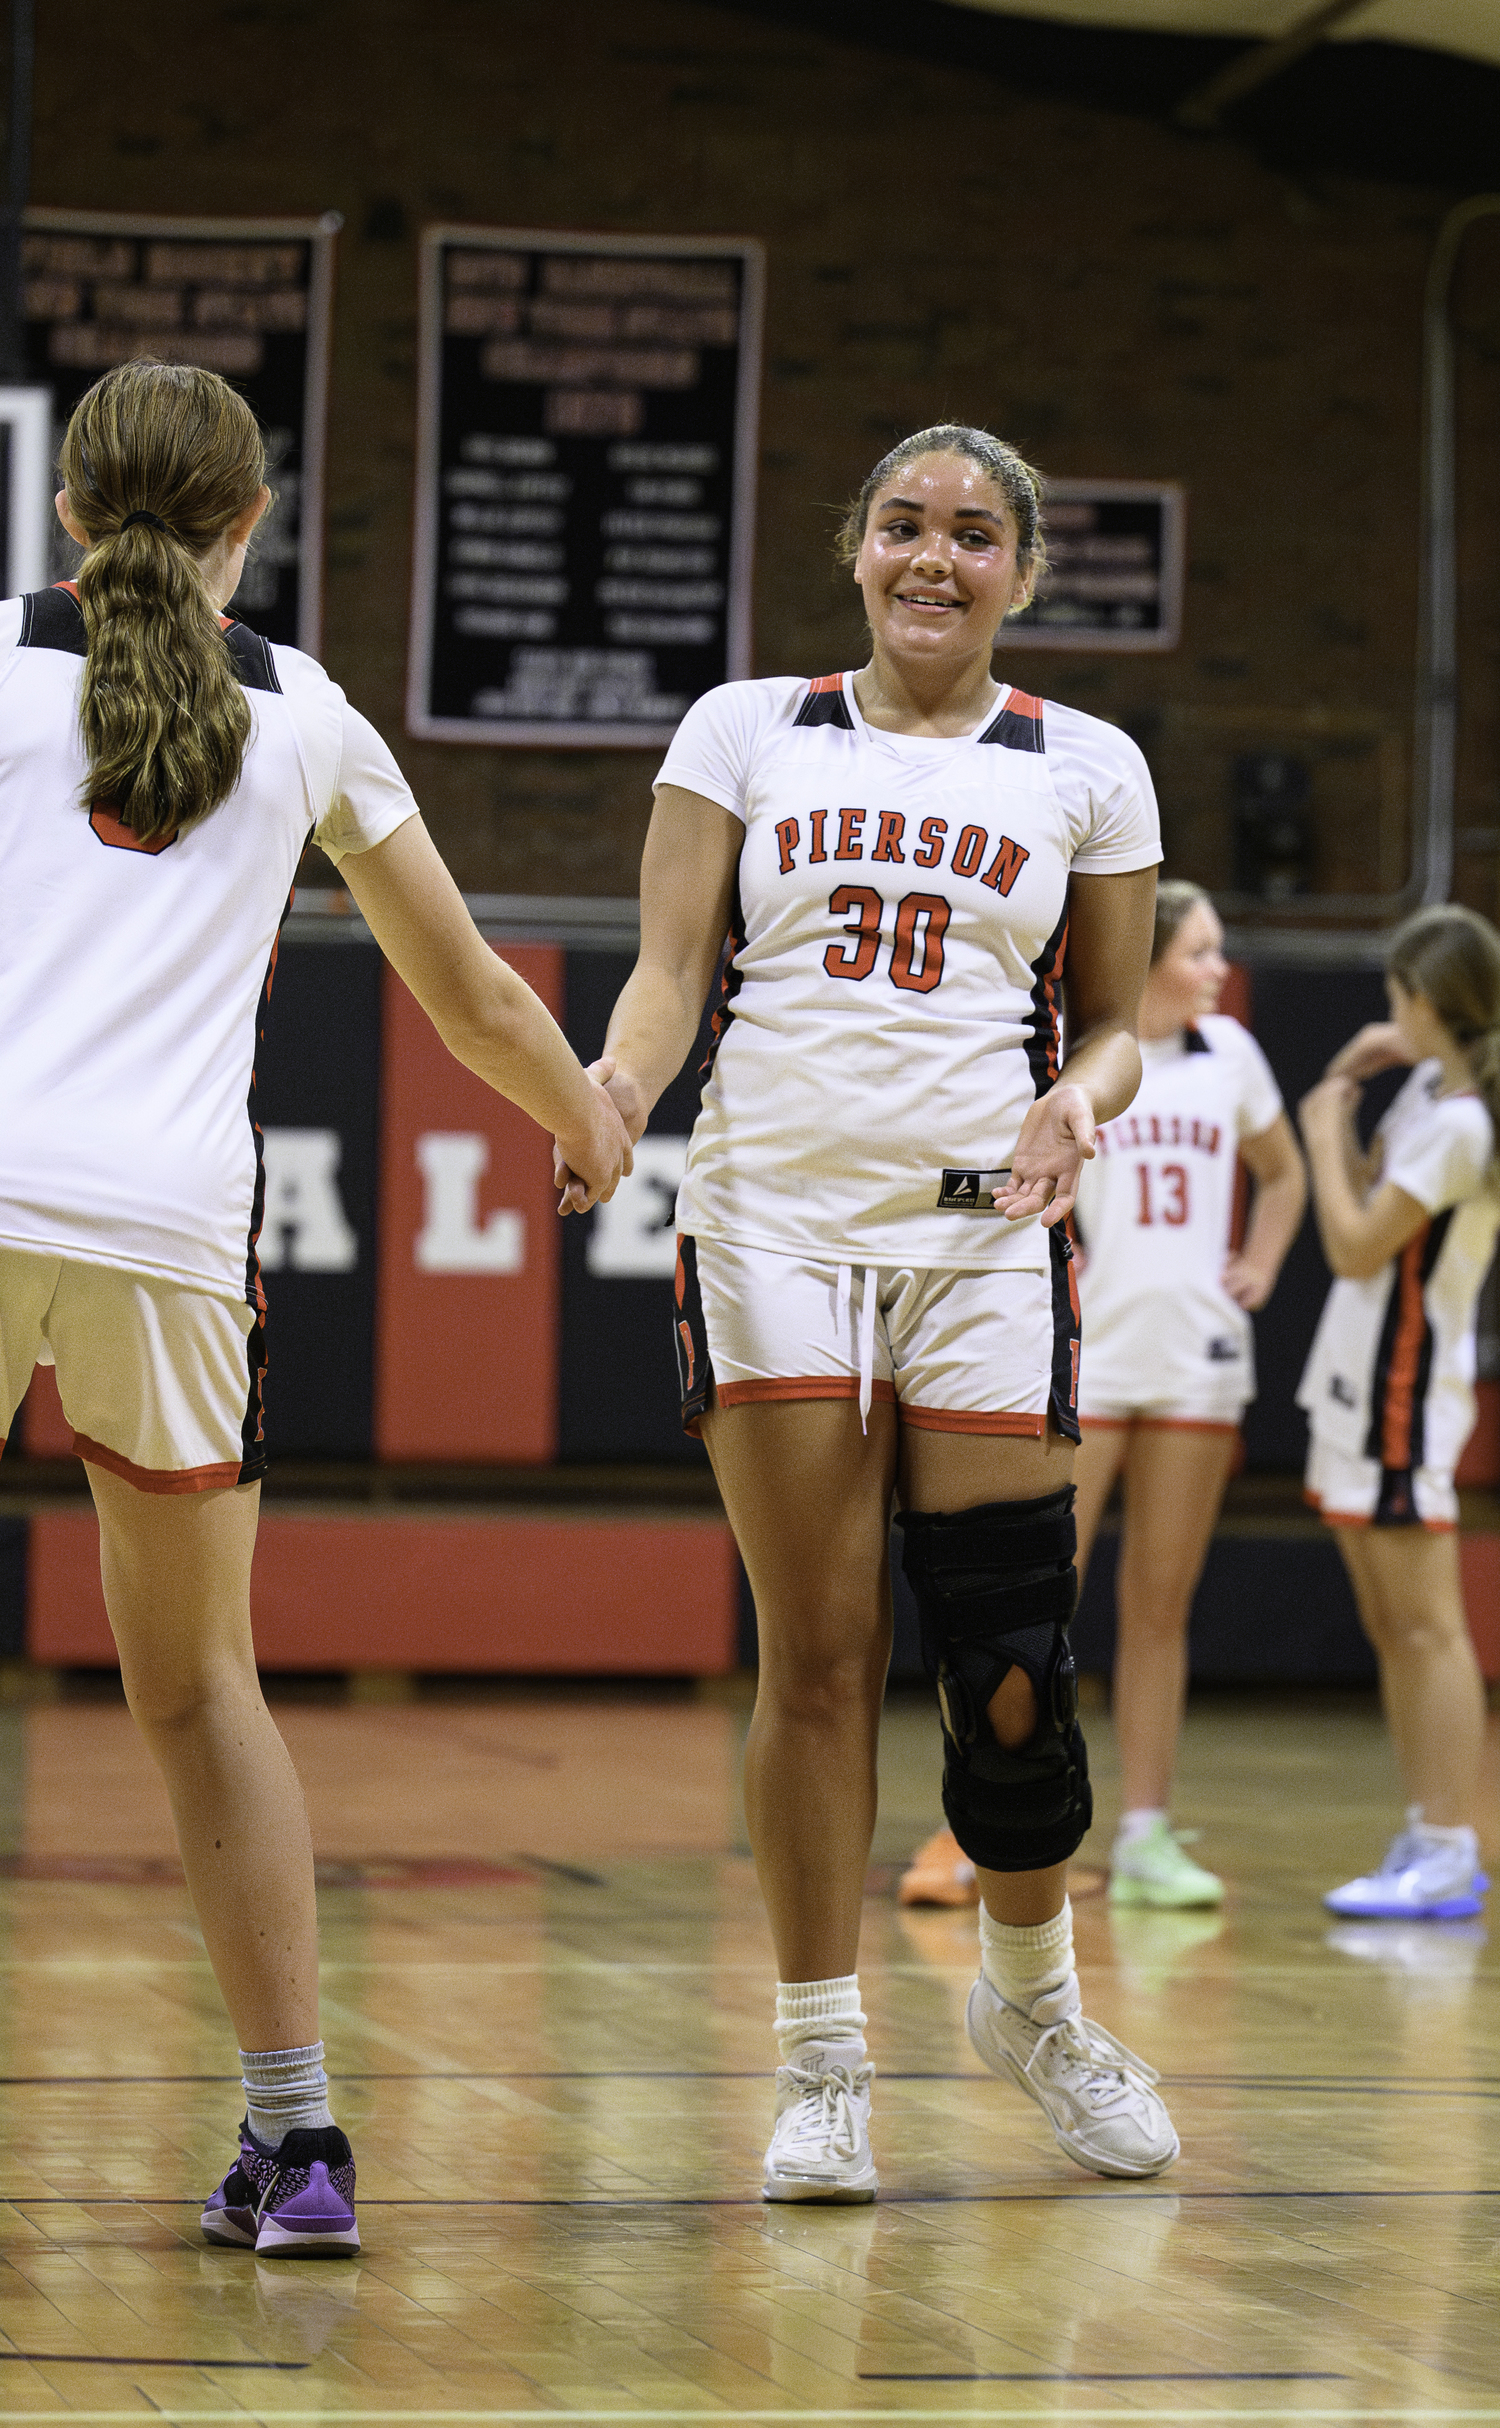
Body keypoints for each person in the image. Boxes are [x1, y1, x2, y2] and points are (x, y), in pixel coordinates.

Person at [0, 360, 631, 2255]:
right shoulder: (312, 717)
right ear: (252, 526)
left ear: (65, 511)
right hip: (178, 1233)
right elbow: (475, 1001)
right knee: (202, 1688)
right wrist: (591, 1121)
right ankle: (301, 2143)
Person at [558, 421, 1179, 2201]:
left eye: (975, 536)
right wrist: (610, 1092)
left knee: (1006, 1658)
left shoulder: (1091, 765)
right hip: (769, 1225)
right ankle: (823, 2061)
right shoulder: (743, 726)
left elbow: (1121, 1018)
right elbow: (672, 976)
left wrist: (1091, 1097)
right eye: (904, 525)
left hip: (989, 1231)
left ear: (1024, 572)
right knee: (818, 1654)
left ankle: (1035, 2002)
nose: (935, 558)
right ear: (855, 549)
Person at [901, 881, 1305, 1911]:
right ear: (1155, 957)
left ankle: (1145, 1831)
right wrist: (988, 1195)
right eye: (1204, 950)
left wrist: (1256, 1261)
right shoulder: (1076, 1060)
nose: (1220, 968)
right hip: (1090, 1349)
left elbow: (1283, 1171)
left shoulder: (1235, 1059)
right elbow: (974, 1178)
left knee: (1160, 1607)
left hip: (1199, 1355)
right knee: (1031, 1601)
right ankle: (971, 1824)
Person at [1298, 904, 1500, 1920]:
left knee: (1429, 1628)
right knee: (1393, 1625)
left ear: (1427, 1000)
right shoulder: (1431, 1087)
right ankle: (1426, 1832)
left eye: (1396, 994)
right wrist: (1364, 1068)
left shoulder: (1467, 1124)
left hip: (1404, 1392)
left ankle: (1454, 1845)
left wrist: (1322, 1130)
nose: (1388, 1010)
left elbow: (1353, 1243)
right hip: (1359, 1383)